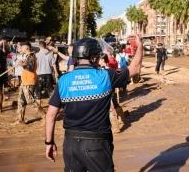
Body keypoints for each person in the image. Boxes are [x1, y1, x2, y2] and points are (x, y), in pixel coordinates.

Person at [45, 35, 143, 171]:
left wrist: (49, 142)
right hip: (97, 144)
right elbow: (135, 68)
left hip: (70, 144)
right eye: (97, 56)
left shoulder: (63, 81)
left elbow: (50, 115)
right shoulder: (106, 76)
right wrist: (140, 45)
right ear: (93, 57)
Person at [14, 41, 46, 125]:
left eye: (22, 47)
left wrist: (22, 65)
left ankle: (44, 115)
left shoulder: (31, 56)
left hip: (29, 82)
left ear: (27, 48)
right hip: (24, 81)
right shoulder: (27, 56)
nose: (21, 49)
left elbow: (31, 68)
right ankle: (20, 120)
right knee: (21, 101)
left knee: (30, 101)